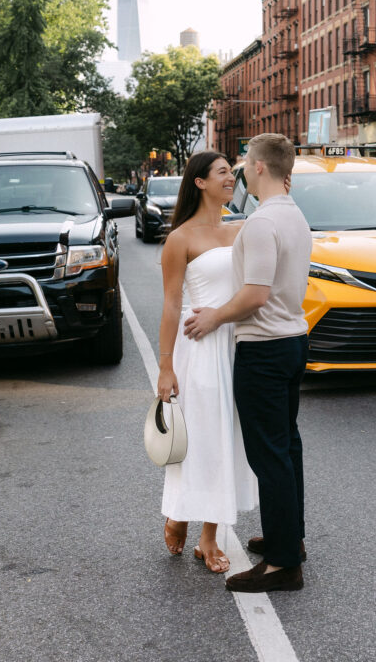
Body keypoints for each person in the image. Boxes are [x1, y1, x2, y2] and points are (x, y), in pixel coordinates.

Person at [184, 133, 312, 594]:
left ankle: (281, 565)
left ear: (259, 167)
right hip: (294, 340)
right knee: (288, 447)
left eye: (243, 165)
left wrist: (215, 316)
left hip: (265, 348)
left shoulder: (261, 222)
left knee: (270, 455)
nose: (239, 172)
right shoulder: (294, 215)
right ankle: (289, 540)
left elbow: (255, 295)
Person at [157, 151, 257, 572]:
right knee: (200, 440)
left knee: (227, 440)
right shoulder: (180, 238)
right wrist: (166, 366)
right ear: (199, 182)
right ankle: (180, 512)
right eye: (222, 173)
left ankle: (208, 536)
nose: (230, 179)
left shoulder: (241, 229)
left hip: (236, 344)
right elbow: (170, 304)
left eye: (232, 174)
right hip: (198, 348)